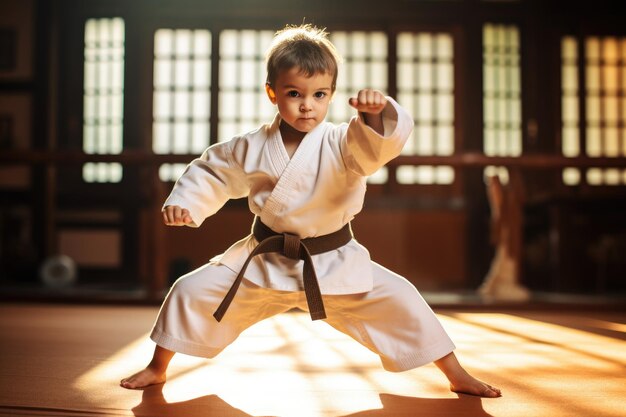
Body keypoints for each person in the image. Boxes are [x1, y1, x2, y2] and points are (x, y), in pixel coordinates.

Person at [120, 23, 501, 398]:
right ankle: (158, 368)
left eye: (319, 94)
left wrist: (374, 116)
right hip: (263, 261)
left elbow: (374, 148)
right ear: (272, 93)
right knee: (189, 290)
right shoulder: (248, 147)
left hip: (331, 260)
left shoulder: (341, 142)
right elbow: (212, 171)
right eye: (294, 93)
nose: (307, 105)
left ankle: (456, 373)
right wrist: (185, 203)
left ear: (332, 95)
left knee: (402, 298)